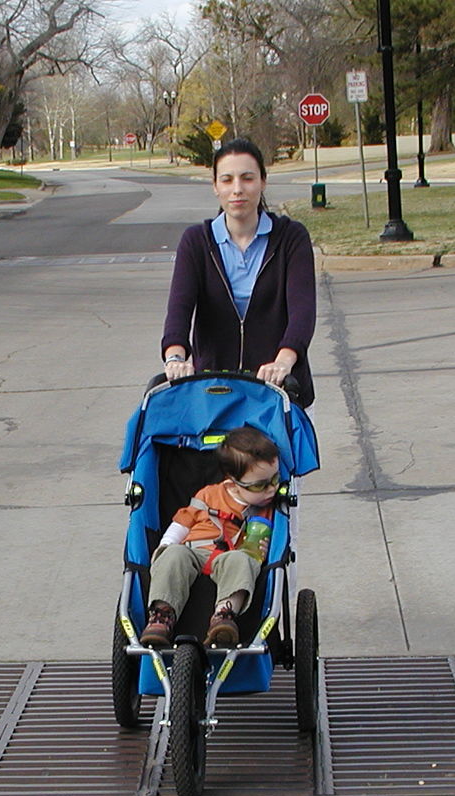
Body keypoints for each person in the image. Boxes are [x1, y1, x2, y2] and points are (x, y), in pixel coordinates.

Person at [160, 138, 317, 408]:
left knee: (291, 449)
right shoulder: (197, 242)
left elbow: (302, 312)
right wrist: (175, 358)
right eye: (227, 180)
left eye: (247, 178)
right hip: (215, 389)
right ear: (215, 187)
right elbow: (179, 309)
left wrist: (284, 361)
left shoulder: (291, 238)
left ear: (263, 182)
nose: (237, 190)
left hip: (277, 388)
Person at [139, 426, 280, 649]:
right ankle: (162, 615)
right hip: (194, 551)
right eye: (260, 485)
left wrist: (264, 549)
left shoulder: (267, 509)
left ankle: (224, 616)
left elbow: (265, 545)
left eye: (275, 479)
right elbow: (183, 521)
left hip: (231, 556)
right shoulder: (209, 494)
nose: (272, 489)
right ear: (234, 482)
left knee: (242, 561)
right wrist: (165, 545)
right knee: (174, 555)